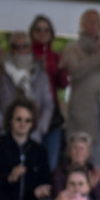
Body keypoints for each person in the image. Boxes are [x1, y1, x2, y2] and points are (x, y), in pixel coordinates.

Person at [61, 8, 100, 164]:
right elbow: (75, 71)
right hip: (81, 115)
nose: (94, 25)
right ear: (82, 25)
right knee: (78, 155)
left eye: (97, 22)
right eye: (90, 22)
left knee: (98, 160)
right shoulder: (73, 47)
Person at [0, 32, 53, 139]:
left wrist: (40, 128)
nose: (20, 50)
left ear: (30, 47)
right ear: (10, 48)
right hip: (3, 133)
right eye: (16, 46)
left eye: (25, 46)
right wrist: (3, 123)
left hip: (33, 135)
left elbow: (48, 104)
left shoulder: (40, 73)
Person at [29, 15, 67, 171]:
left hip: (52, 115)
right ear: (32, 33)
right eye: (38, 30)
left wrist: (62, 69)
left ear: (51, 34)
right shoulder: (25, 54)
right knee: (29, 159)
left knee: (50, 163)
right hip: (30, 112)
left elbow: (63, 84)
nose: (42, 33)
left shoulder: (56, 57)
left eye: (46, 30)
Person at [53, 133, 100, 200]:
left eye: (82, 148)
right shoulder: (59, 171)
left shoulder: (94, 172)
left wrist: (93, 188)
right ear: (69, 151)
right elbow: (58, 197)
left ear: (88, 152)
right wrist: (86, 188)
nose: (78, 152)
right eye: (75, 148)